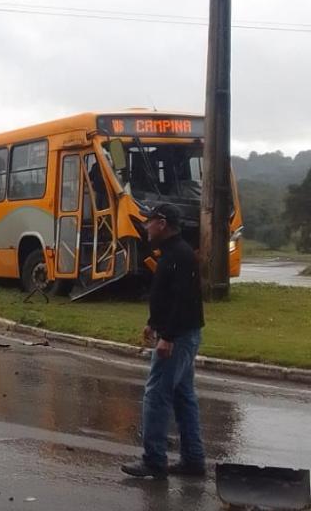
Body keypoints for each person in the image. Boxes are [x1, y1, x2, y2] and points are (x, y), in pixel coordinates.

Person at [121, 203, 206, 480]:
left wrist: (167, 336)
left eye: (149, 222)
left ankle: (154, 460)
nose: (145, 227)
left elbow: (184, 300)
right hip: (178, 332)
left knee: (156, 395)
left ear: (161, 222)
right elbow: (167, 296)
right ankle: (193, 460)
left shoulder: (179, 255)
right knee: (183, 397)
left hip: (178, 337)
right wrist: (153, 323)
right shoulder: (172, 253)